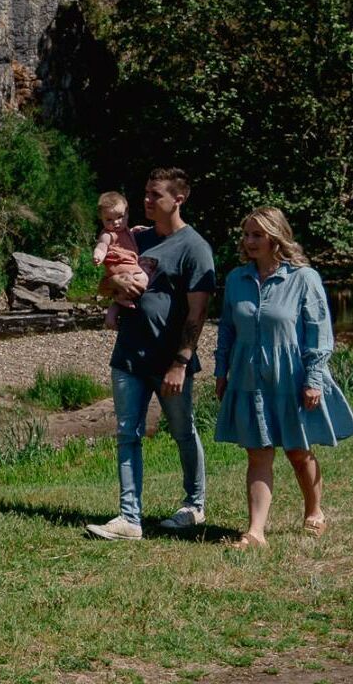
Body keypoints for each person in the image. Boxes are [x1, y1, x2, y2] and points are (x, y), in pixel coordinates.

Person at [214, 207, 353, 549]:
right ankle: (256, 531)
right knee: (257, 453)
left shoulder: (303, 278)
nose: (249, 241)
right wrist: (221, 371)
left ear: (276, 238)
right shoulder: (237, 279)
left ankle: (314, 511)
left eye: (257, 235)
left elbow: (319, 335)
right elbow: (227, 330)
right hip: (249, 376)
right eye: (247, 234)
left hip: (291, 377)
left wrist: (314, 379)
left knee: (297, 450)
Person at [86, 167, 215, 540]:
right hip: (128, 355)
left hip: (169, 361)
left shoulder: (195, 248)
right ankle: (129, 518)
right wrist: (113, 282)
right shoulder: (134, 238)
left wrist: (181, 361)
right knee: (127, 434)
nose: (145, 201)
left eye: (154, 195)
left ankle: (194, 506)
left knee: (182, 431)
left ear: (178, 199)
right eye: (144, 193)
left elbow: (198, 312)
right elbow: (102, 282)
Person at [92, 191, 149, 331]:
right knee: (143, 278)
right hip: (119, 266)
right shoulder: (108, 234)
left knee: (129, 287)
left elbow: (126, 236)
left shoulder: (125, 230)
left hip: (126, 267)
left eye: (120, 217)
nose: (116, 222)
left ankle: (114, 308)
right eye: (109, 220)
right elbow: (102, 245)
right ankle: (119, 299)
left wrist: (133, 231)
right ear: (102, 218)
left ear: (127, 213)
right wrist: (98, 254)